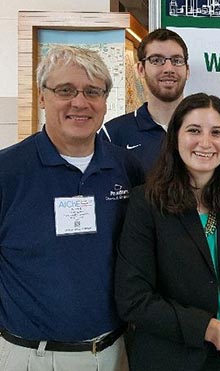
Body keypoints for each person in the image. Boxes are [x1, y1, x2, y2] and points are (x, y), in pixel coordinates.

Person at [0, 46, 144, 371]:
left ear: (106, 102)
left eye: (93, 91)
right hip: (31, 357)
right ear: (41, 97)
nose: (79, 102)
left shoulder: (126, 168)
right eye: (65, 90)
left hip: (114, 352)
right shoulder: (7, 172)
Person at [114, 93, 220, 371]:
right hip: (169, 357)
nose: (205, 143)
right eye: (194, 130)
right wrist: (209, 329)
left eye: (217, 132)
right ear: (175, 138)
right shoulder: (146, 202)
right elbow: (133, 299)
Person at [100, 28, 190, 172]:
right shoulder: (114, 133)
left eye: (176, 60)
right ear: (141, 69)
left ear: (187, 70)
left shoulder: (204, 131)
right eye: (157, 60)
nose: (168, 68)